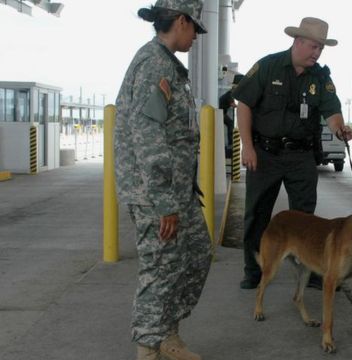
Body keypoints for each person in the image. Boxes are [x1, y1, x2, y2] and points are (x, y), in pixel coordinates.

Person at [114, 1, 211, 359]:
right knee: (160, 271)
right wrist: (164, 203)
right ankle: (149, 351)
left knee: (196, 256)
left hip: (178, 190)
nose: (196, 37)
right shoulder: (154, 63)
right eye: (194, 29)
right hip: (157, 195)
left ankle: (169, 335)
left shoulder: (170, 65)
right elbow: (148, 137)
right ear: (181, 21)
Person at [232, 17, 352, 290]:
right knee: (257, 214)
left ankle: (311, 271)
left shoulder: (321, 77)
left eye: (321, 48)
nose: (317, 53)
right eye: (313, 46)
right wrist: (247, 147)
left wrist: (340, 129)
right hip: (265, 154)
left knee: (305, 219)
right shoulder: (268, 66)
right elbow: (243, 105)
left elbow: (331, 111)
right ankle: (253, 270)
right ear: (297, 42)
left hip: (301, 156)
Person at [219, 74, 244, 158]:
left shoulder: (230, 94)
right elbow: (233, 105)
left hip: (222, 112)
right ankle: (230, 143)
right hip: (220, 113)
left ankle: (231, 143)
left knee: (230, 123)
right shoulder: (230, 95)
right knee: (230, 123)